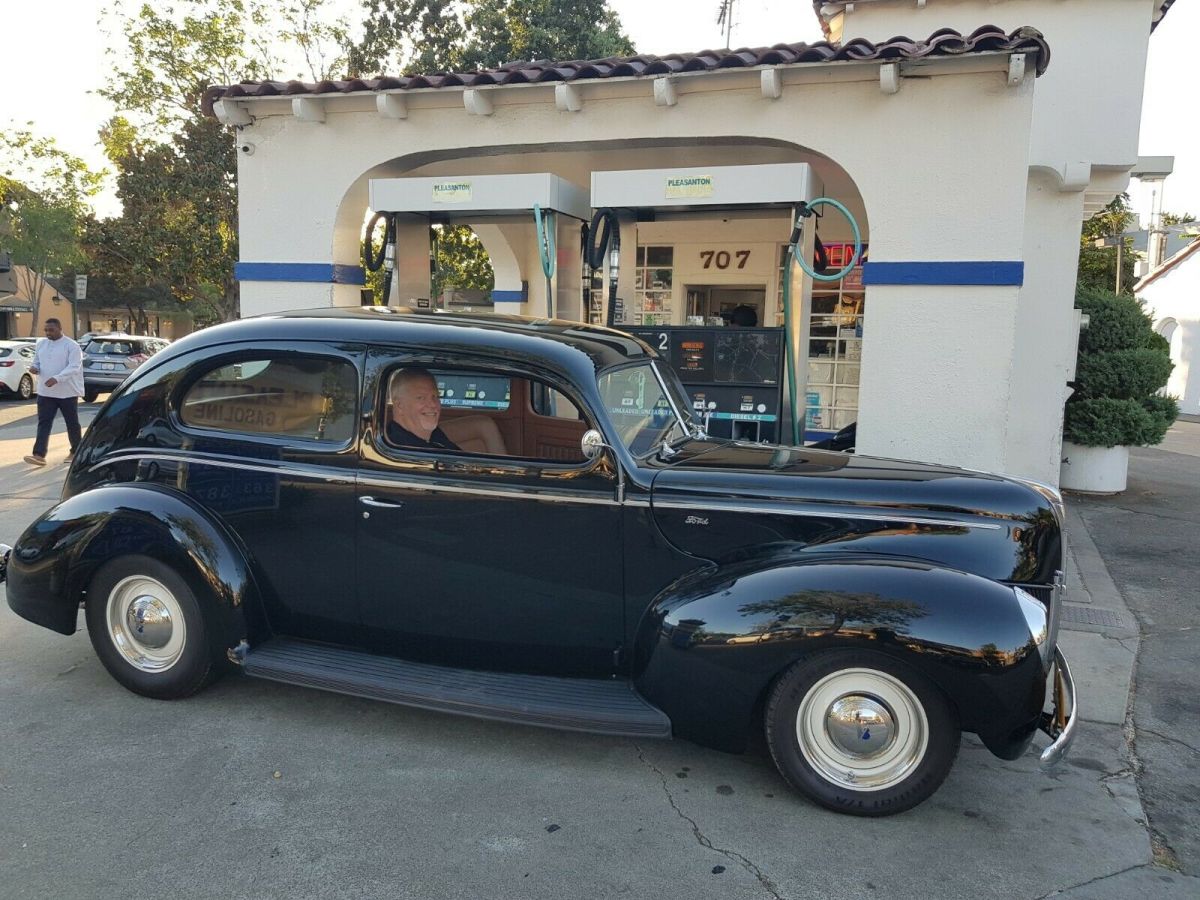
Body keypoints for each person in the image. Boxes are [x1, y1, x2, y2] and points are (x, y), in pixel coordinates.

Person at [24, 318, 84, 467]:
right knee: (44, 423)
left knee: (72, 423)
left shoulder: (72, 346)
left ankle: (76, 451)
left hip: (67, 393)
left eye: (51, 330)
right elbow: (37, 361)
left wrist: (57, 378)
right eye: (46, 330)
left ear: (60, 329)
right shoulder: (41, 344)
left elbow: (74, 366)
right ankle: (39, 455)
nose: (48, 333)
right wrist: (34, 367)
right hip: (45, 392)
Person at [386, 367, 460, 450]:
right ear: (399, 405)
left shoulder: (430, 435)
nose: (433, 404)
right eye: (421, 398)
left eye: (435, 396)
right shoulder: (402, 451)